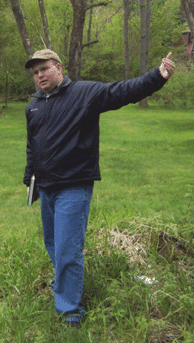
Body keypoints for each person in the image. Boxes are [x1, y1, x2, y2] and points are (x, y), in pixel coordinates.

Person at [23, 49, 175, 328]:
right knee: (54, 244)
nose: (39, 76)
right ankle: (65, 285)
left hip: (73, 183)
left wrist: (157, 77)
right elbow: (33, 146)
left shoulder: (84, 93)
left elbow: (122, 91)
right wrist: (29, 178)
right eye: (35, 73)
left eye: (43, 69)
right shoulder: (34, 105)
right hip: (45, 186)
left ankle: (69, 309)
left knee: (67, 249)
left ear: (58, 68)